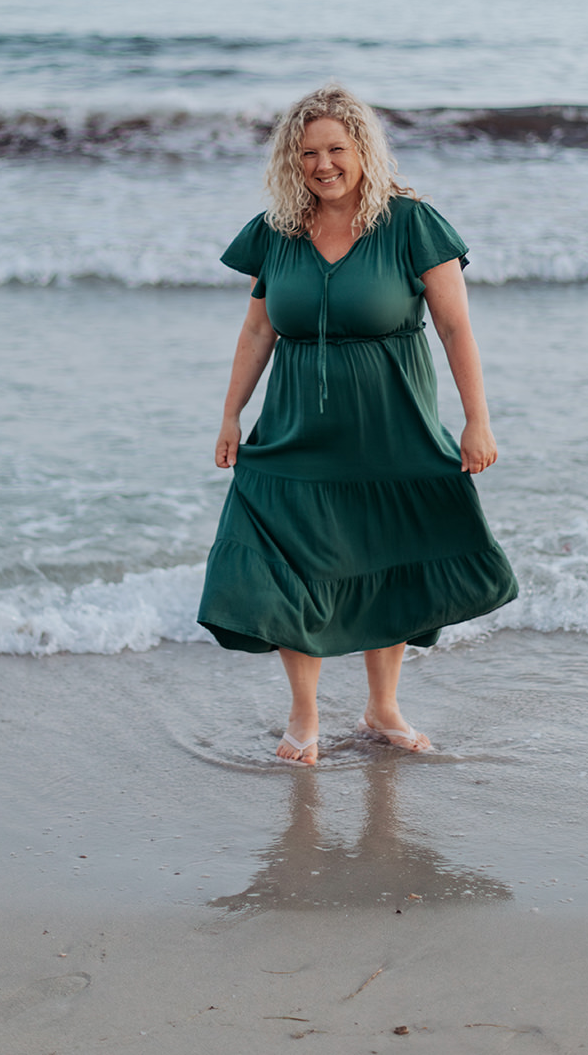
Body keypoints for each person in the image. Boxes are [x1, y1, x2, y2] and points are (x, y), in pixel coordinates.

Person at [197, 85, 518, 765]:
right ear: (292, 159)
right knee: (287, 567)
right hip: (292, 433)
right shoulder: (277, 230)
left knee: (387, 556)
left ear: (363, 150)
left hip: (390, 426)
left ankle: (383, 707)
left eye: (337, 149)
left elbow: (457, 328)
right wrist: (231, 415)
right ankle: (305, 715)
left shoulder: (412, 223)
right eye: (308, 152)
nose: (323, 164)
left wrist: (477, 421)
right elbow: (257, 329)